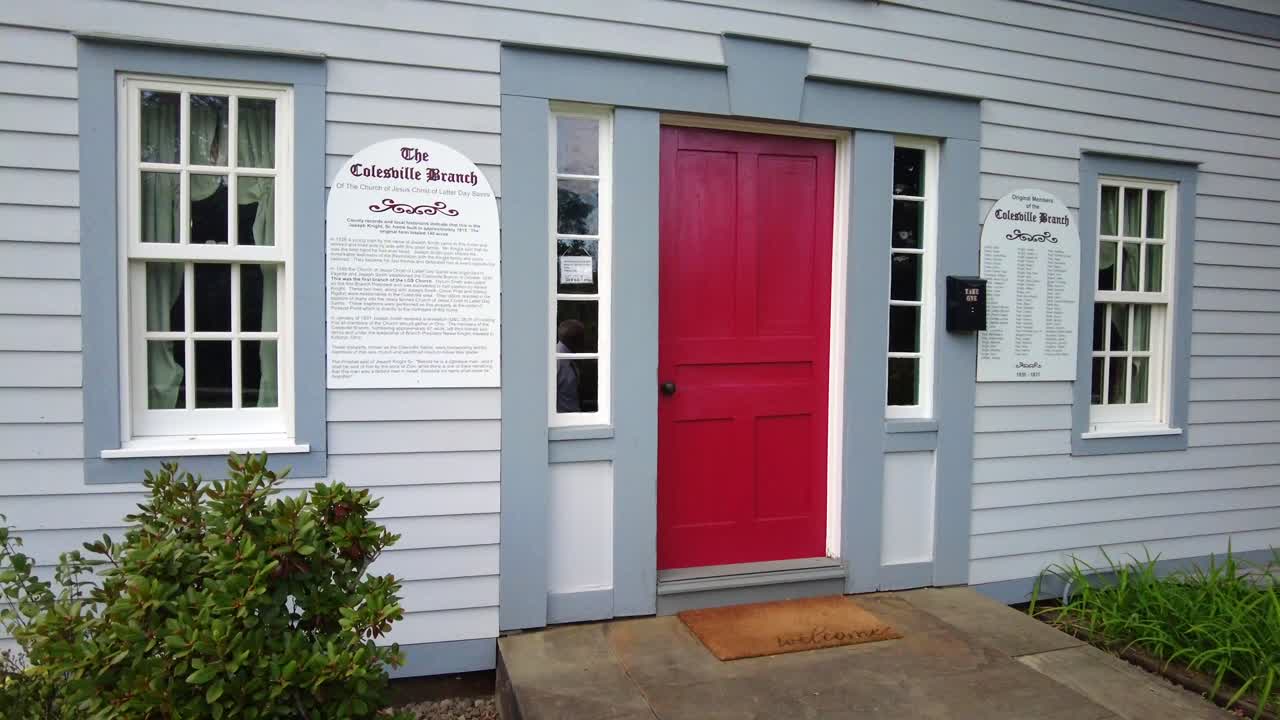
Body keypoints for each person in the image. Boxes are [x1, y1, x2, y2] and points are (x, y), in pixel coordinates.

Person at [556, 319, 585, 413]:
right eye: (583, 337)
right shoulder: (555, 361)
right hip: (563, 417)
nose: (585, 341)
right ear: (576, 339)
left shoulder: (569, 357)